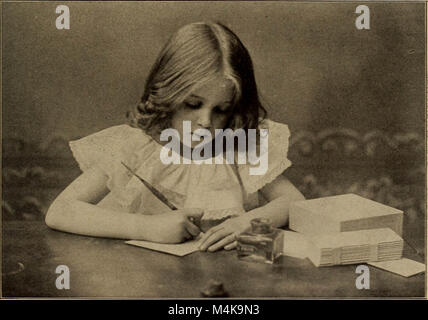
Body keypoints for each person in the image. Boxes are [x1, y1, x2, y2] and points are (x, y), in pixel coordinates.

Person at [45, 21, 305, 252]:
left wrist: (246, 222)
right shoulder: (137, 147)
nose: (205, 122)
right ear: (169, 95)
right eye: (193, 105)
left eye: (221, 110)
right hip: (141, 278)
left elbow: (293, 201)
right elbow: (60, 212)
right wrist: (145, 227)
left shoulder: (238, 146)